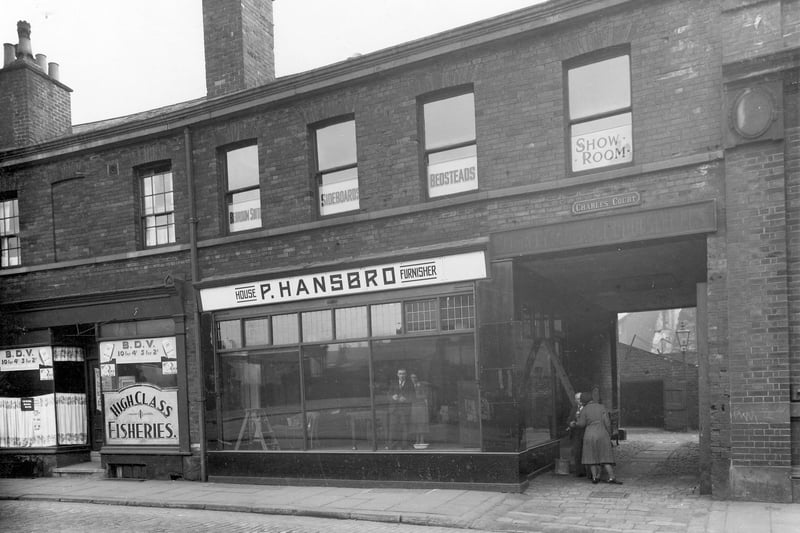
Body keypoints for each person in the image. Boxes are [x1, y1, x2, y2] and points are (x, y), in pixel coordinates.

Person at [572, 391, 621, 484]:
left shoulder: (584, 410)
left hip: (589, 434)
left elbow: (581, 424)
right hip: (602, 433)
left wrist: (575, 422)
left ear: (583, 401)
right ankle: (612, 477)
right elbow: (607, 422)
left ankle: (595, 478)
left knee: (591, 458)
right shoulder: (601, 407)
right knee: (605, 457)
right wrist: (609, 434)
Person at [387, 368, 415, 449]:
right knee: (393, 428)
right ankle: (391, 445)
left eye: (403, 374)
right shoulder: (393, 383)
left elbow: (413, 397)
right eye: (400, 374)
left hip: (404, 409)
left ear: (406, 375)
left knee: (405, 428)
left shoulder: (410, 384)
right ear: (397, 375)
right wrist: (392, 397)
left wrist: (406, 399)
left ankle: (404, 446)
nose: (401, 375)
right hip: (394, 409)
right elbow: (388, 395)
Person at [567, 391, 586, 477]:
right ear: (575, 400)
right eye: (577, 399)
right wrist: (570, 423)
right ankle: (579, 471)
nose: (579, 400)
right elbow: (569, 419)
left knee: (585, 452)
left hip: (585, 433)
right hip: (576, 434)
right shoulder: (574, 408)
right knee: (577, 452)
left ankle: (587, 471)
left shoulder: (587, 408)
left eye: (580, 399)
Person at [409, 373, 429, 446]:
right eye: (411, 378)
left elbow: (425, 395)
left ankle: (422, 440)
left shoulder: (421, 385)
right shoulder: (410, 386)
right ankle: (417, 440)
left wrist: (417, 396)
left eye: (414, 377)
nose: (413, 379)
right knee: (415, 423)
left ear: (417, 378)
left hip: (421, 406)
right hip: (414, 406)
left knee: (422, 423)